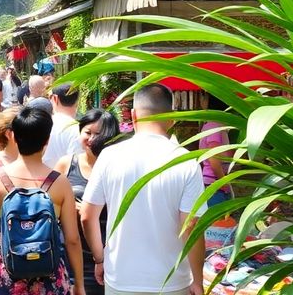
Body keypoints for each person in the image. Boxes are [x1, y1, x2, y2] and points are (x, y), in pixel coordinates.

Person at [81, 83, 206, 295]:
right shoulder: (186, 161)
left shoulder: (110, 156)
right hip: (173, 283)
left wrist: (99, 259)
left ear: (133, 115)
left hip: (120, 280)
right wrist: (198, 279)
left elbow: (87, 216)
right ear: (172, 118)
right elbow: (191, 225)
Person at [0, 107, 85, 295]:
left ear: (12, 136)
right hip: (49, 273)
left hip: (6, 272)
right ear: (47, 140)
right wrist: (78, 283)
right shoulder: (60, 183)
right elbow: (72, 239)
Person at [53, 109, 122, 295]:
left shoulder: (119, 167)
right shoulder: (66, 164)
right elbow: (49, 203)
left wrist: (88, 209)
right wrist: (68, 207)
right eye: (87, 132)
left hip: (111, 253)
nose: (91, 139)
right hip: (74, 252)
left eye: (98, 134)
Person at [200, 96, 234, 207]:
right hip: (215, 184)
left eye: (203, 97)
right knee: (218, 222)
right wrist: (223, 182)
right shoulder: (214, 127)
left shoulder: (212, 126)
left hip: (214, 183)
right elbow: (213, 158)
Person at [42, 83, 83, 168]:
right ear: (77, 100)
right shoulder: (78, 129)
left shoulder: (43, 123)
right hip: (65, 179)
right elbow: (75, 165)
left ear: (55, 98)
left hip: (42, 177)